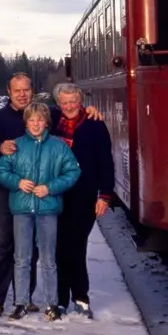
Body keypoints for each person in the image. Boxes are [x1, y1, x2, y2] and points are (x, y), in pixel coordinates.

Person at [0, 72, 103, 316]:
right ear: (9, 92)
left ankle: (44, 299)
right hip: (11, 194)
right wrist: (0, 150)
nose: (22, 94)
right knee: (6, 244)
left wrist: (90, 111)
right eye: (17, 90)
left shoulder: (52, 118)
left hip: (45, 199)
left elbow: (71, 110)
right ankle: (0, 298)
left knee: (44, 251)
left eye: (26, 89)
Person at [0, 102, 81, 321]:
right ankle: (21, 302)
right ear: (26, 122)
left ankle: (52, 303)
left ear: (46, 122)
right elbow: (0, 170)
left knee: (49, 258)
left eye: (40, 120)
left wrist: (51, 187)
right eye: (31, 120)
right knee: (22, 257)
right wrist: (17, 182)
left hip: (48, 209)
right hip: (22, 208)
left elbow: (73, 171)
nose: (35, 124)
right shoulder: (17, 145)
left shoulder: (59, 146)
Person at [52, 83, 116, 318]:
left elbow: (106, 162)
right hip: (56, 194)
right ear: (59, 103)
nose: (69, 106)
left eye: (73, 101)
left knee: (76, 246)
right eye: (64, 102)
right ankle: (59, 299)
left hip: (84, 194)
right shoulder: (52, 121)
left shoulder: (94, 125)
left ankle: (80, 297)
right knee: (58, 247)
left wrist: (105, 195)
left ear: (81, 102)